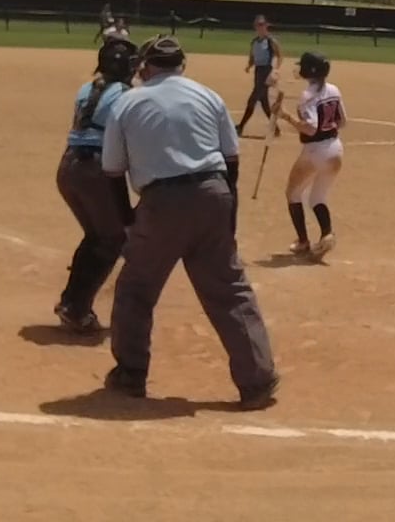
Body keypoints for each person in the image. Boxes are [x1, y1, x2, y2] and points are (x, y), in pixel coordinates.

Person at [101, 35, 279, 410]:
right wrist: (228, 214)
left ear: (146, 66)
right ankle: (257, 382)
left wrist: (128, 221)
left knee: (136, 288)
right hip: (214, 193)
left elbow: (113, 171)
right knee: (230, 290)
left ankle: (131, 374)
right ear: (182, 64)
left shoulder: (128, 102)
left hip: (162, 201)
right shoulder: (208, 96)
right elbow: (231, 160)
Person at [53, 37, 140, 334]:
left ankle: (70, 302)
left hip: (69, 168)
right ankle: (76, 309)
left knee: (96, 237)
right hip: (94, 171)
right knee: (113, 239)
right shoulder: (126, 94)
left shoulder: (87, 88)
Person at [273, 51, 346, 261]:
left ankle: (303, 241)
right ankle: (326, 235)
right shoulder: (334, 90)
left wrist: (285, 116)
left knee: (292, 194)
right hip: (335, 149)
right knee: (317, 198)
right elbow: (342, 121)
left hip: (315, 151)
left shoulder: (308, 96)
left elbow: (311, 129)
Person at [236, 15, 283, 135]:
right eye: (257, 25)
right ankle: (275, 128)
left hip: (266, 72)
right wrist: (249, 66)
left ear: (266, 26)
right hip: (258, 72)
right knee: (264, 102)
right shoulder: (254, 42)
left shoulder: (270, 41)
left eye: (262, 24)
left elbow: (279, 55)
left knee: (253, 99)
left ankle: (241, 126)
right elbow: (253, 57)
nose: (259, 27)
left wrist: (276, 70)